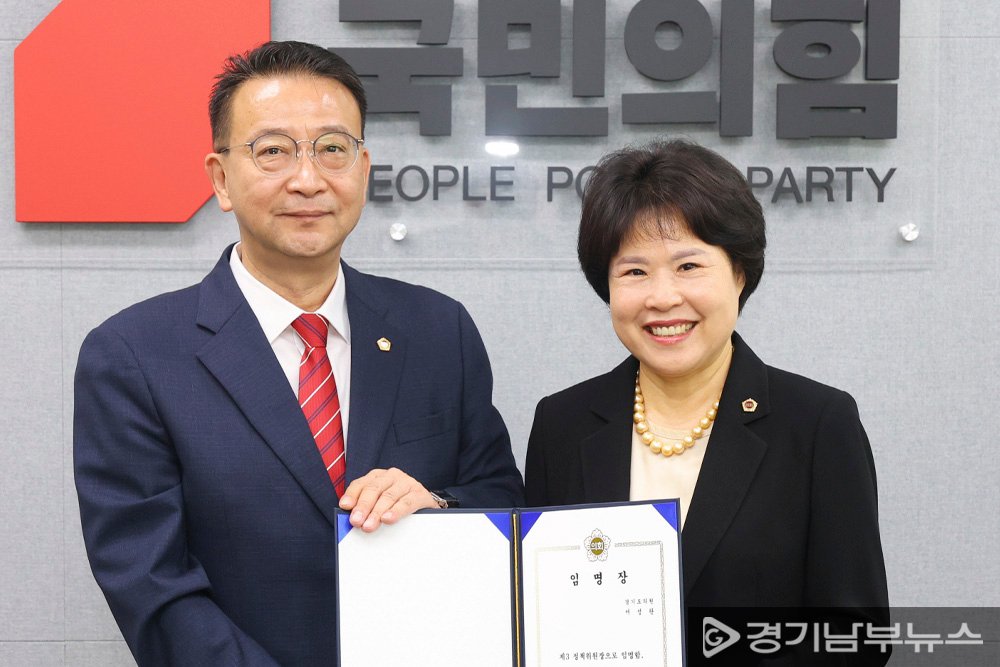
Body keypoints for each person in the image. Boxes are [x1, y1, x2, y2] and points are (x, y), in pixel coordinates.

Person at [74, 41, 524, 666]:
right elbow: (150, 584)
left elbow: (503, 501)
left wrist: (438, 507)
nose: (308, 179)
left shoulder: (438, 330)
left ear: (363, 169)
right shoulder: (134, 356)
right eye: (273, 151)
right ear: (221, 179)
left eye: (332, 149)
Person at [524, 140, 888, 658]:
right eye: (634, 271)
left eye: (689, 266)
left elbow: (856, 637)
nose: (662, 297)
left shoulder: (817, 424)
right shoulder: (562, 423)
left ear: (739, 273)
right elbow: (543, 614)